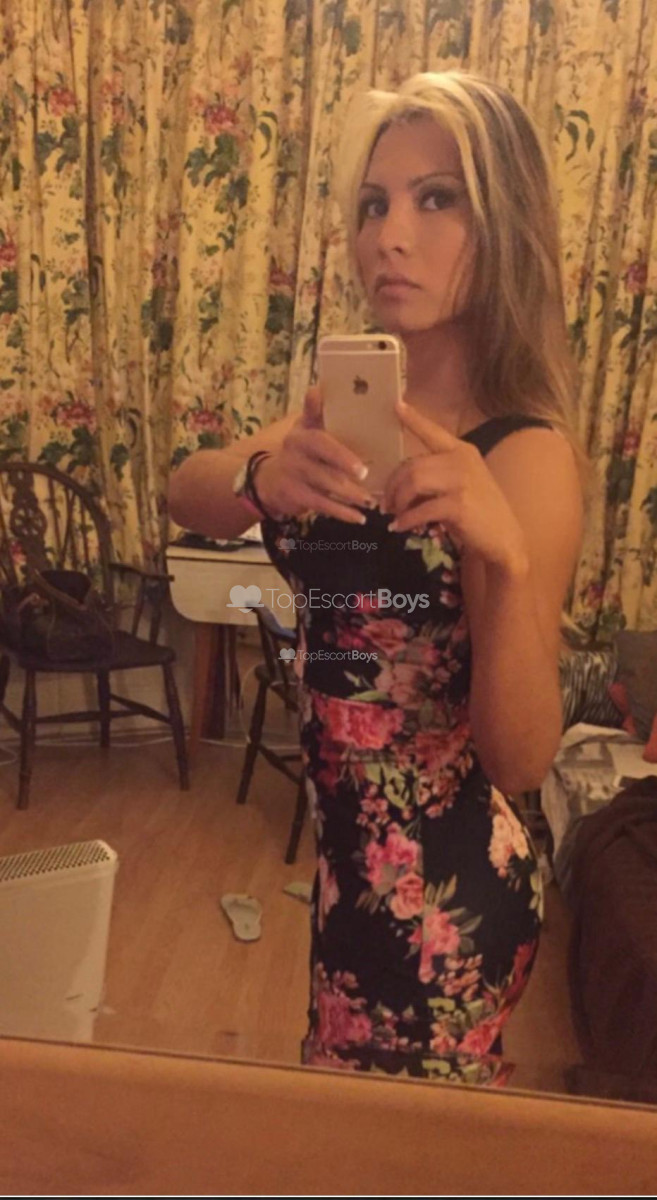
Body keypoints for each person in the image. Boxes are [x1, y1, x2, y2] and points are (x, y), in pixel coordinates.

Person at [169, 69, 588, 1085]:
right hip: (345, 870)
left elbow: (520, 759)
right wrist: (263, 475)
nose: (388, 236)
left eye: (436, 198)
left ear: (504, 226)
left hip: (445, 902)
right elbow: (187, 489)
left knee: (395, 1147)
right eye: (372, 204)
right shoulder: (349, 411)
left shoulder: (525, 454)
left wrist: (503, 557)